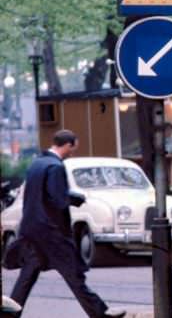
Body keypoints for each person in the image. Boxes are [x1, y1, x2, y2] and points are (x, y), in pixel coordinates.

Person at [7, 130, 125, 318]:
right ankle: (100, 314)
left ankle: (9, 315)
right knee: (75, 275)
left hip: (32, 229)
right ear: (68, 145)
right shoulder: (55, 167)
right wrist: (75, 199)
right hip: (52, 233)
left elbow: (40, 195)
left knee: (27, 277)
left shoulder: (37, 164)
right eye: (73, 148)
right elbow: (58, 200)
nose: (73, 152)